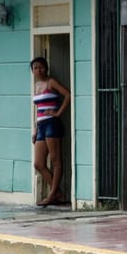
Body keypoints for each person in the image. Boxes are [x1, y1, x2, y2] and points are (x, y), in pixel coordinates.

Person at [30, 57, 71, 207]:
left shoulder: (51, 82)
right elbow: (38, 109)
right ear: (32, 71)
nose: (38, 70)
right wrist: (35, 129)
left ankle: (52, 195)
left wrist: (58, 113)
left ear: (46, 68)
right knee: (38, 163)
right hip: (41, 126)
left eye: (41, 67)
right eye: (35, 68)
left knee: (55, 160)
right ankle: (58, 193)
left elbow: (68, 95)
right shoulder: (36, 85)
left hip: (52, 124)